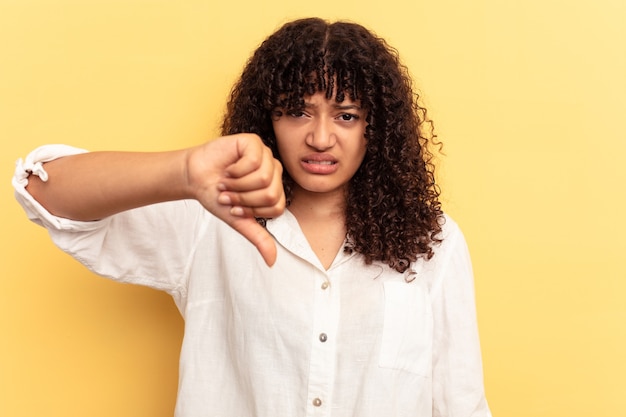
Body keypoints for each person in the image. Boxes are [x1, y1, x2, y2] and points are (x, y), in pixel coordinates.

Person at [13, 17, 491, 417]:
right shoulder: (210, 218)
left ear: (376, 128)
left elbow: (460, 403)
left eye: (346, 115)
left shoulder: (434, 241)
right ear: (268, 120)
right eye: (297, 112)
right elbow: (42, 190)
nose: (321, 138)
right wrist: (182, 169)